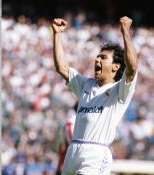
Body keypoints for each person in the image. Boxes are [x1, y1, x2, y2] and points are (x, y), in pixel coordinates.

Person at [51, 16, 138, 174]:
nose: (97, 59)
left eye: (103, 58)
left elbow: (132, 68)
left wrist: (125, 32)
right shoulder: (86, 84)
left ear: (115, 67)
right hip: (72, 152)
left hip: (95, 154)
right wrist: (57, 34)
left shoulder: (120, 90)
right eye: (98, 56)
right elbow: (62, 68)